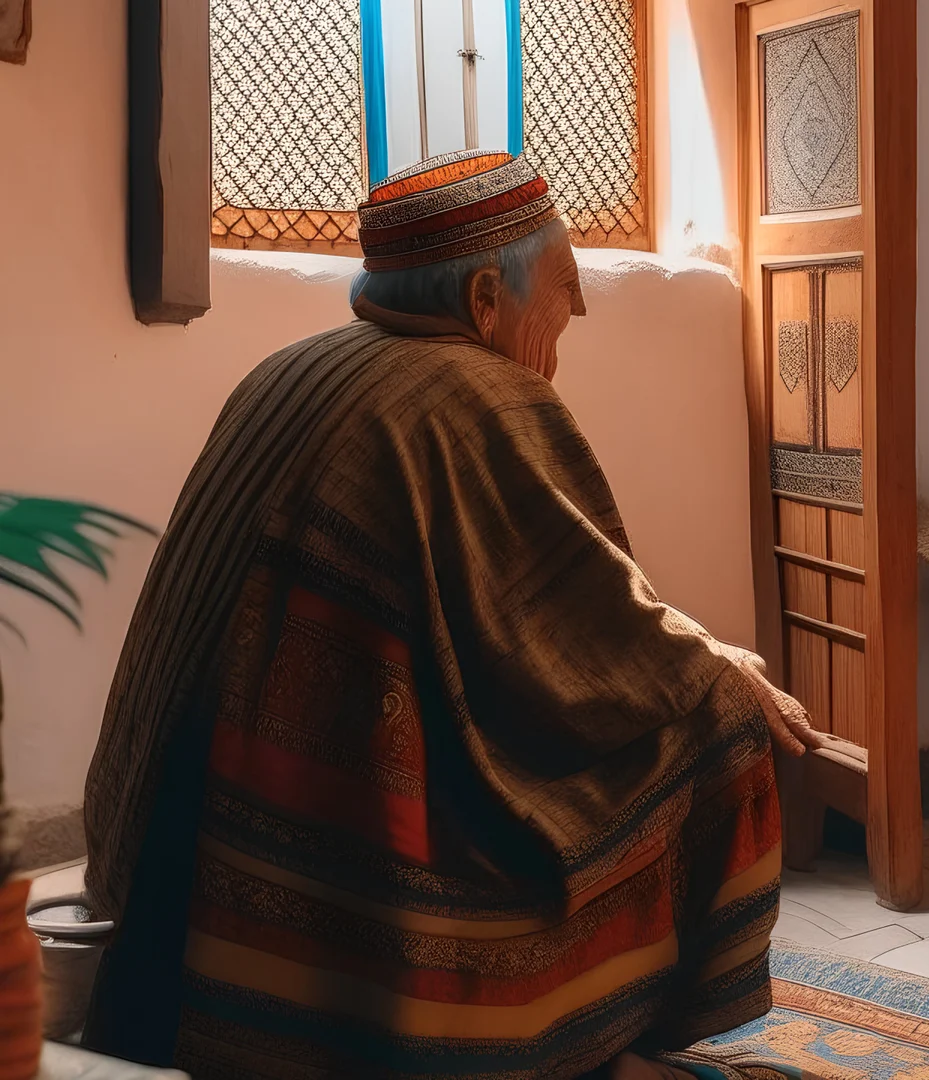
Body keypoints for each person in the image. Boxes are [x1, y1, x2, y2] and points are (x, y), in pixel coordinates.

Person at [81, 151, 824, 1079]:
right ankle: (578, 1043)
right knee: (720, 724)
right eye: (562, 286)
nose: (580, 312)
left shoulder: (294, 366)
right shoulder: (472, 393)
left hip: (158, 873)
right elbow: (591, 634)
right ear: (483, 299)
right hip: (340, 873)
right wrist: (720, 665)